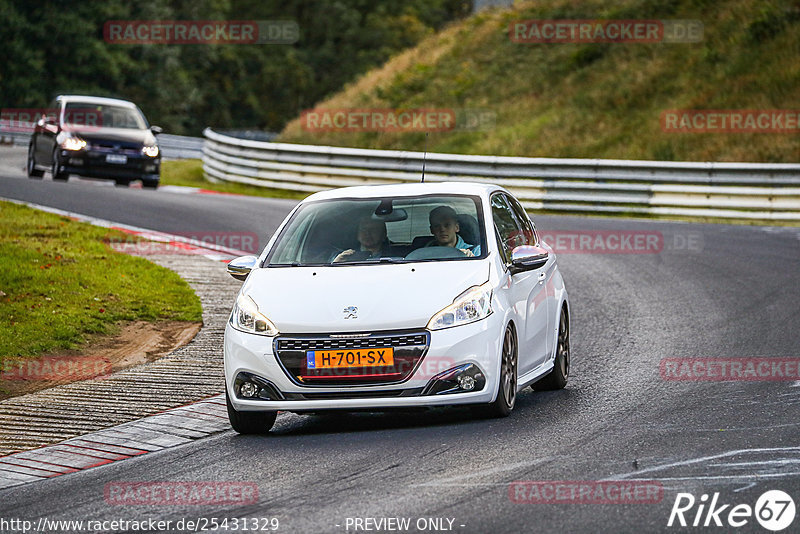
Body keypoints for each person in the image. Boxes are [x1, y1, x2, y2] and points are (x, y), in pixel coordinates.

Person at [332, 216, 399, 262]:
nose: (367, 233)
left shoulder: (397, 256)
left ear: (384, 234)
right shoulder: (345, 255)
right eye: (363, 229)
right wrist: (336, 264)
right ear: (357, 234)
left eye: (373, 229)